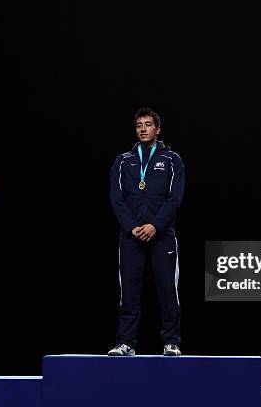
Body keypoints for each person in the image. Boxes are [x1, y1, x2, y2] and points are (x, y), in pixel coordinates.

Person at [107, 107, 185, 357]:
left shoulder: (172, 160)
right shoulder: (123, 161)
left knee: (167, 289)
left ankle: (171, 342)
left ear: (157, 129)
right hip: (131, 237)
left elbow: (175, 198)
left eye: (148, 124)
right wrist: (132, 227)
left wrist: (155, 225)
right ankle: (125, 343)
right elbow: (116, 198)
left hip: (162, 236)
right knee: (128, 292)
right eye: (139, 124)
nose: (143, 128)